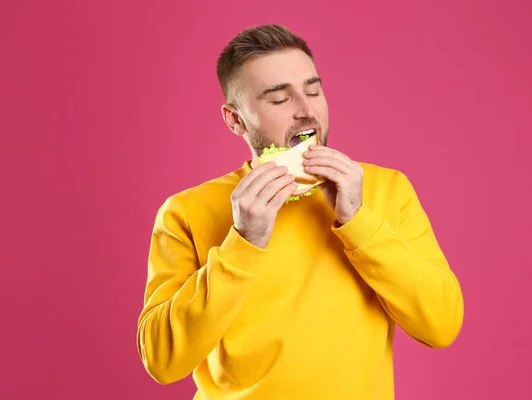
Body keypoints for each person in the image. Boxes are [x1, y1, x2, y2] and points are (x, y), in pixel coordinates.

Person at [136, 24, 464, 400]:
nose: (307, 110)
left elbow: (441, 326)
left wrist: (358, 221)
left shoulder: (386, 189)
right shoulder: (186, 211)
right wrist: (243, 242)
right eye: (280, 100)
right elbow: (162, 361)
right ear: (235, 120)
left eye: (313, 90)